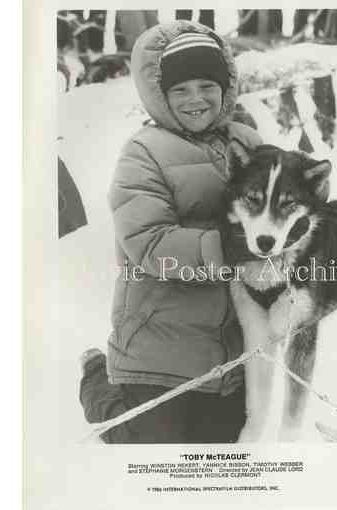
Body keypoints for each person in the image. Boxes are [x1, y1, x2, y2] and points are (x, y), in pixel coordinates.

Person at [79, 20, 261, 443]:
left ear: (225, 86)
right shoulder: (143, 152)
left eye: (206, 85)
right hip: (158, 340)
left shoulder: (248, 139)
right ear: (160, 95)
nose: (196, 98)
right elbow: (148, 242)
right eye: (180, 89)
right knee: (146, 448)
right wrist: (230, 248)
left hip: (232, 347)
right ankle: (95, 377)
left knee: (223, 451)